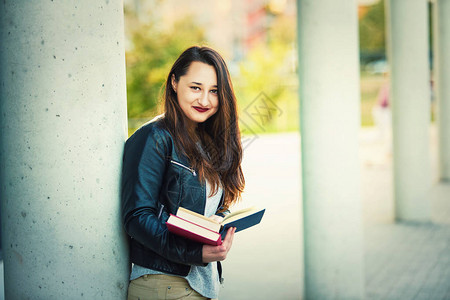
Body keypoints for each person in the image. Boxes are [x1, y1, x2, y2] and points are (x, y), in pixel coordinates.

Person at [121, 46, 245, 300]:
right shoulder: (155, 137)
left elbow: (208, 207)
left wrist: (220, 223)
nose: (205, 100)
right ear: (175, 83)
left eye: (214, 91)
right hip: (163, 284)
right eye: (195, 88)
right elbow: (137, 216)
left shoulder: (208, 142)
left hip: (200, 284)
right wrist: (194, 253)